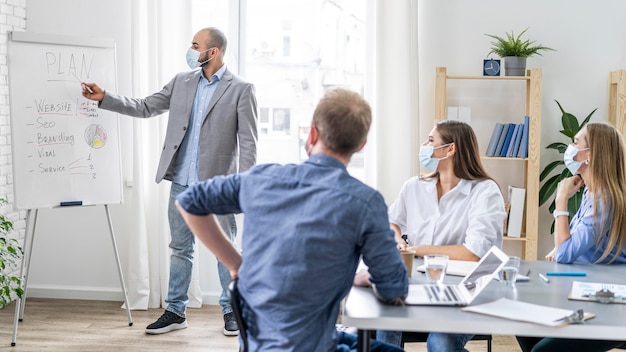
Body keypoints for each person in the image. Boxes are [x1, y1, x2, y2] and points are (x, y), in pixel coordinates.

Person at [175, 88, 408, 352]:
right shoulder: (366, 202)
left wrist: (235, 263)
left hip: (257, 345)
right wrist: (363, 276)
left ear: (312, 133)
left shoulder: (261, 178)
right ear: (361, 145)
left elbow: (188, 201)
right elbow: (394, 289)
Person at [82, 27, 258, 336]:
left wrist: (243, 189)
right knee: (180, 247)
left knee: (224, 249)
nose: (190, 50)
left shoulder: (241, 89)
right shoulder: (182, 81)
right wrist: (105, 98)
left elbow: (249, 144)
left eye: (195, 45)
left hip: (218, 186)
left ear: (212, 52)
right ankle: (176, 310)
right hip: (180, 181)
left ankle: (232, 309)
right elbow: (146, 106)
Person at [371, 120, 506, 352]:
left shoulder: (485, 192)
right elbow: (391, 222)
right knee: (385, 322)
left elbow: (472, 253)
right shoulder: (414, 186)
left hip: (470, 288)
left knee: (441, 342)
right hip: (423, 282)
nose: (424, 145)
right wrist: (397, 241)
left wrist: (417, 249)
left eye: (431, 140)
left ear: (450, 149)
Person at [517, 122, 626, 352]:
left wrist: (561, 200)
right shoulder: (591, 191)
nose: (570, 147)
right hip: (589, 293)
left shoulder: (605, 199)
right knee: (522, 322)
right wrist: (561, 248)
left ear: (592, 154)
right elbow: (568, 245)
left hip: (610, 308)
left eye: (576, 143)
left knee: (541, 350)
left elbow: (565, 253)